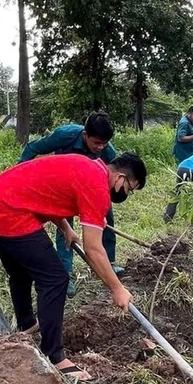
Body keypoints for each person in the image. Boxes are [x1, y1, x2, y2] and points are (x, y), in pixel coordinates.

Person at [0, 153, 147, 381]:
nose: (126, 194)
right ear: (120, 178)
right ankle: (54, 356)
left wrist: (65, 228)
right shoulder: (97, 186)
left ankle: (28, 324)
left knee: (20, 271)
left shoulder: (88, 167)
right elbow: (94, 249)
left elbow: (49, 195)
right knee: (55, 279)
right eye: (129, 189)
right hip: (10, 212)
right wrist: (117, 288)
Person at [18, 112, 122, 297]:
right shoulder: (64, 135)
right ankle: (67, 273)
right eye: (96, 143)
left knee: (107, 216)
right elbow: (33, 147)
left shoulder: (106, 149)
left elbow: (114, 172)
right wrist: (18, 173)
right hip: (64, 189)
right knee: (65, 228)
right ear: (85, 135)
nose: (101, 147)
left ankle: (110, 263)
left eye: (104, 143)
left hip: (91, 189)